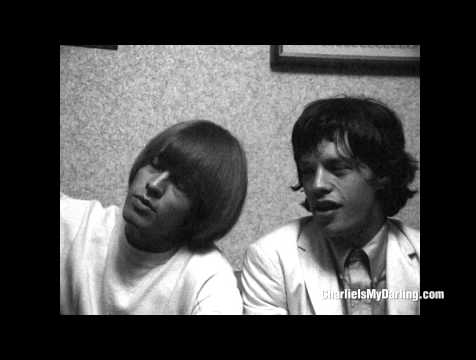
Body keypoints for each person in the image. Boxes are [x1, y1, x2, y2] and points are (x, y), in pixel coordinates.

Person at [240, 96, 420, 315]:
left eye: (337, 168)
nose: (316, 185)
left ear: (382, 173)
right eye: (307, 172)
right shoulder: (271, 258)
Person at [60, 120, 247, 315]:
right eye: (155, 166)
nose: (154, 185)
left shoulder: (208, 277)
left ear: (202, 210)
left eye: (181, 184)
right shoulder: (77, 224)